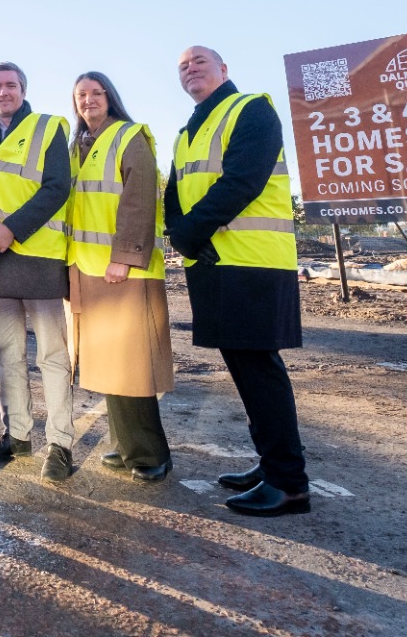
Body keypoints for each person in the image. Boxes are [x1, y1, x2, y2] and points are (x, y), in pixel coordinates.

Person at [164, 46, 310, 516]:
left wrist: (189, 233)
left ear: (224, 69)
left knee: (259, 368)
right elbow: (174, 193)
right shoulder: (188, 132)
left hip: (253, 262)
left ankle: (289, 483)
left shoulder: (251, 109)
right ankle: (272, 463)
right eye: (183, 65)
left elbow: (243, 181)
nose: (190, 68)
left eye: (200, 61)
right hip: (215, 262)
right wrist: (179, 232)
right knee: (244, 368)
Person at [0, 61, 77, 481]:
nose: (4, 92)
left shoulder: (49, 127)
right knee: (7, 352)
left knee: (52, 354)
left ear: (23, 90)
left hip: (39, 254)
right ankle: (16, 436)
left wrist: (11, 229)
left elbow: (57, 187)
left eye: (11, 85)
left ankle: (60, 445)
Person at [65, 71, 175, 483]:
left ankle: (149, 455)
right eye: (81, 95)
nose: (89, 100)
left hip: (122, 269)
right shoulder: (78, 147)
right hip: (88, 267)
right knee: (109, 363)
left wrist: (124, 256)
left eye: (96, 93)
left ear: (110, 97)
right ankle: (125, 445)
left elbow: (139, 198)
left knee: (133, 364)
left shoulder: (129, 136)